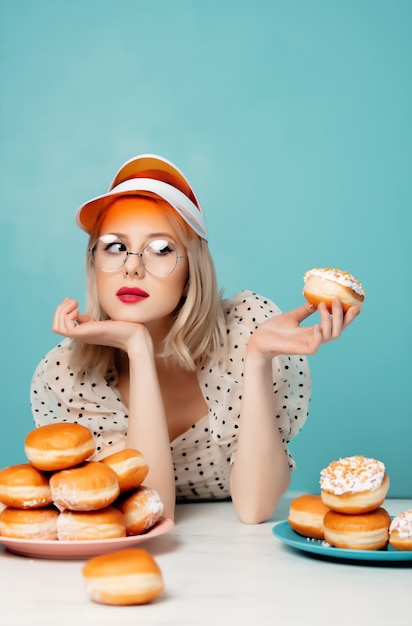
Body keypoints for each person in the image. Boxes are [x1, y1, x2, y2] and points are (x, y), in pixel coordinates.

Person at [30, 154, 359, 524]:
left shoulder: (246, 328)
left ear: (191, 270)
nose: (132, 266)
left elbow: (255, 509)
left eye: (161, 249)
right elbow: (151, 512)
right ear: (93, 262)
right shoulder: (68, 377)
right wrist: (137, 347)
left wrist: (258, 359)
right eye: (114, 246)